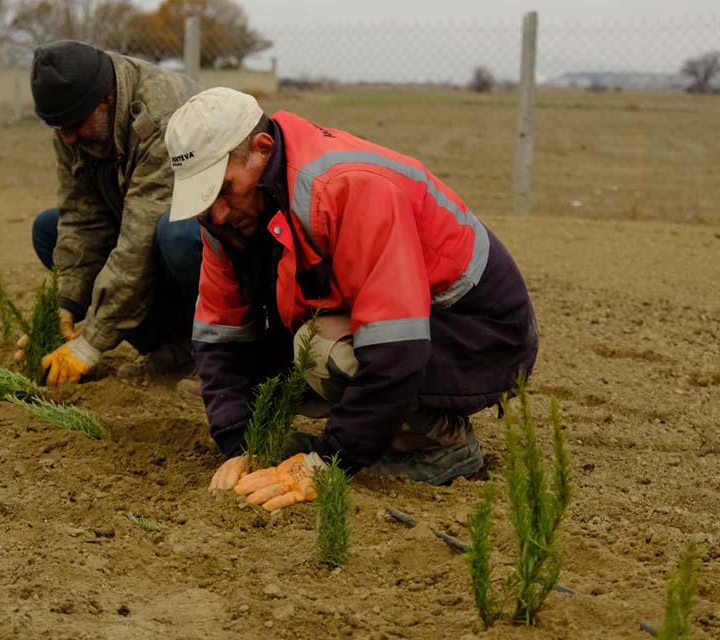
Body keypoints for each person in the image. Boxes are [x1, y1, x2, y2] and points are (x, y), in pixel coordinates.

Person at [165, 88, 540, 510]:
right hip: (395, 326)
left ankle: (440, 446)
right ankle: (382, 434)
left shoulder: (347, 187)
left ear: (262, 149)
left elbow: (396, 348)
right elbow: (221, 336)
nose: (215, 214)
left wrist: (329, 462)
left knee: (319, 348)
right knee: (270, 375)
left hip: (480, 335)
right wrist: (239, 442)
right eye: (202, 198)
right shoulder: (229, 219)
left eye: (224, 189)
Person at [25, 40, 201, 387]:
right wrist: (67, 304)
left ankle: (218, 354)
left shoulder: (163, 116)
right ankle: (172, 348)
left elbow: (139, 239)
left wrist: (91, 342)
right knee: (49, 229)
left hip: (213, 240)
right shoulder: (72, 122)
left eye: (75, 126)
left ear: (105, 99)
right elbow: (81, 216)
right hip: (144, 223)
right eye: (59, 129)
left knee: (175, 234)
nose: (69, 139)